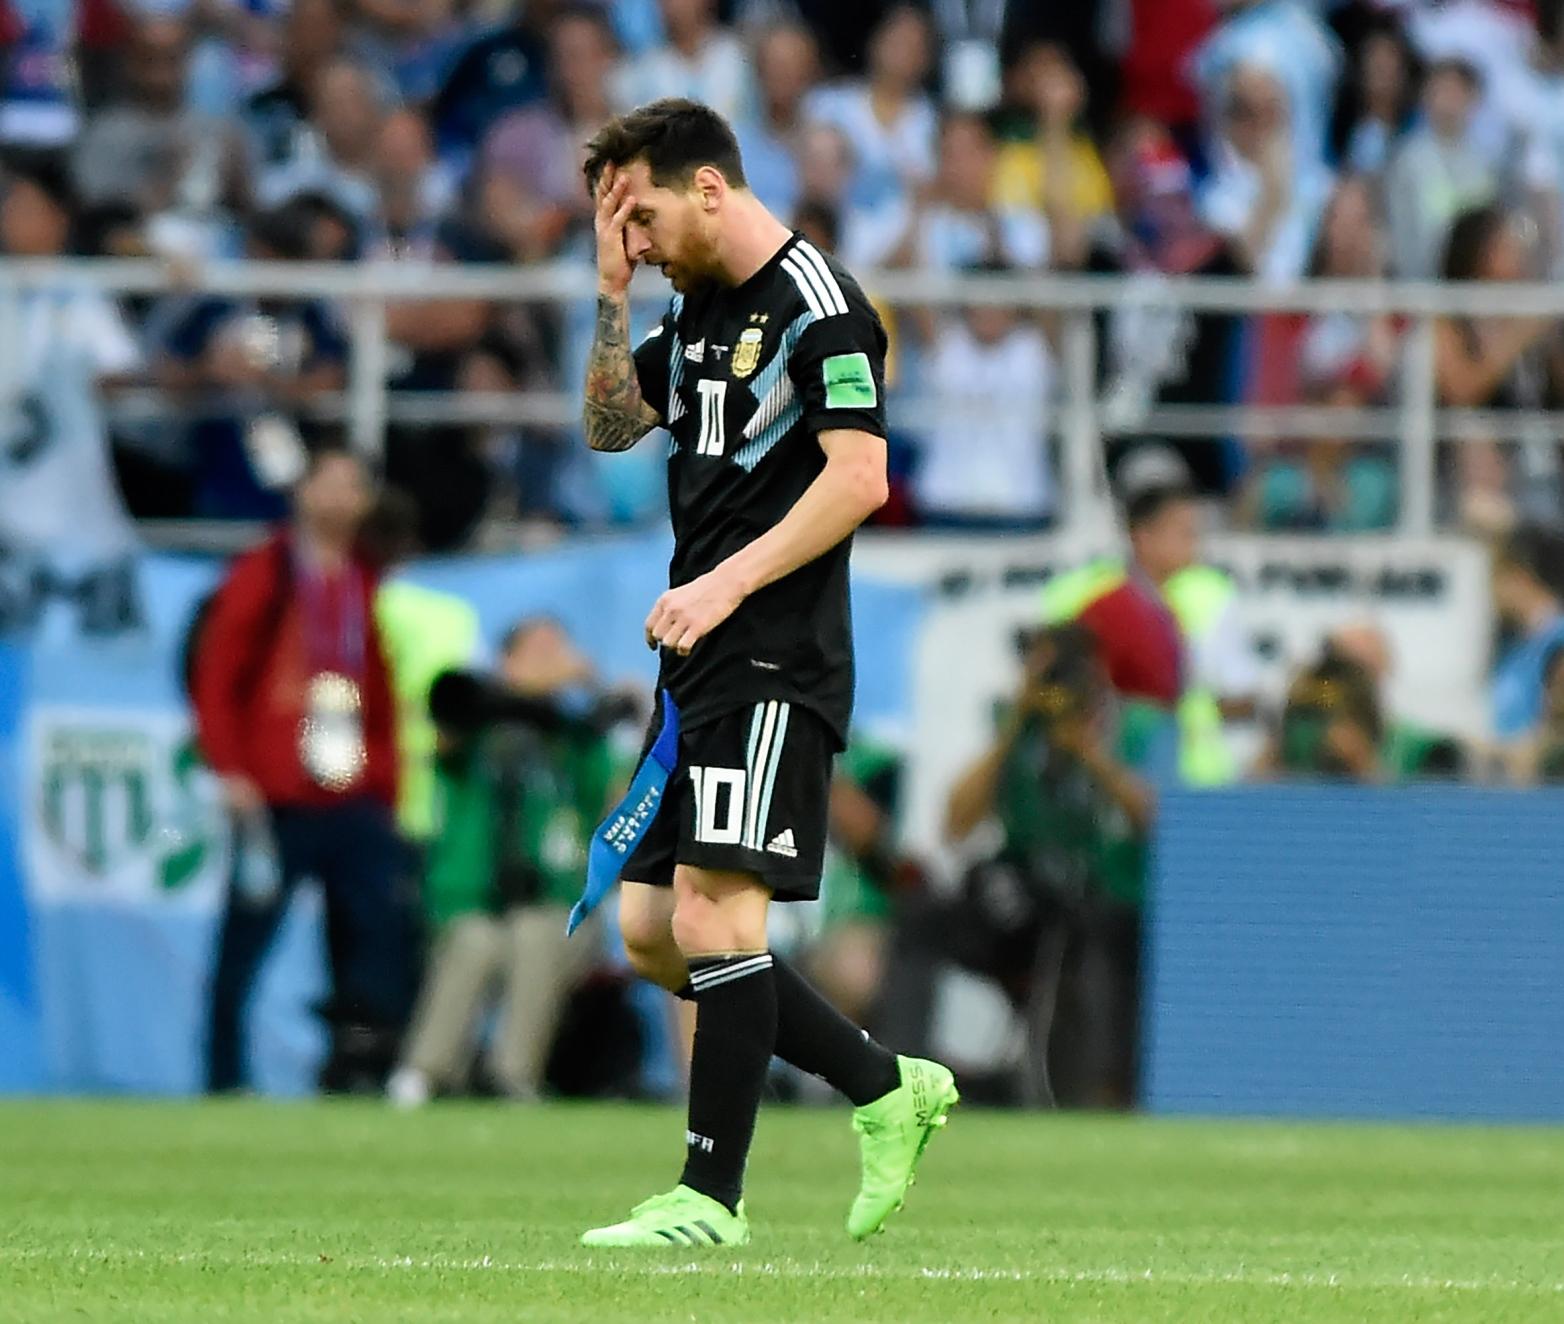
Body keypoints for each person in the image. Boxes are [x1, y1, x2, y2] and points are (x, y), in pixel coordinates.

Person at [574, 97, 956, 1248]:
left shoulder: (820, 305)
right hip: (698, 658)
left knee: (712, 914)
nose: (634, 238)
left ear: (708, 186)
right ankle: (887, 1085)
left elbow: (859, 479)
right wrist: (609, 293)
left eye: (639, 216)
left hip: (773, 654)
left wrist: (725, 586)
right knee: (650, 929)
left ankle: (709, 1197)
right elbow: (606, 428)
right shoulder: (689, 314)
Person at [193, 445, 411, 1094]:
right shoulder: (266, 573)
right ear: (302, 492)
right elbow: (217, 675)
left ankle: (353, 1070)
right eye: (330, 483)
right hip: (274, 791)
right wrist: (230, 769)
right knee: (244, 943)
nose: (341, 499)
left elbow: (380, 687)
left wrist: (387, 784)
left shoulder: (367, 579)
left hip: (351, 789)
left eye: (354, 486)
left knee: (371, 935)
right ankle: (222, 1082)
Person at [883, 623, 1164, 1108]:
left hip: (1108, 898)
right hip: (1024, 897)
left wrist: (1088, 752)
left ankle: (1098, 1092)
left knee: (1098, 934)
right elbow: (956, 822)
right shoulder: (1018, 730)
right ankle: (898, 1079)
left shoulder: (1137, 725)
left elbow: (1154, 821)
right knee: (922, 918)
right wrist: (1014, 729)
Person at [388, 618, 617, 1106]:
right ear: (505, 662)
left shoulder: (575, 738)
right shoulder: (475, 716)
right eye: (536, 652)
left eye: (558, 652)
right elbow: (447, 717)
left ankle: (512, 1077)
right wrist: (536, 691)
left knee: (534, 934)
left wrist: (594, 699)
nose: (549, 664)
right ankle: (423, 1073)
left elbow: (616, 798)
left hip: (558, 907)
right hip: (473, 902)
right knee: (476, 941)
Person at [1384, 57, 1494, 280]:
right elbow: (1401, 234)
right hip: (1423, 289)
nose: (1448, 101)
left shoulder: (1485, 163)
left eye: (1457, 92)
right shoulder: (1409, 160)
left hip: (1472, 290)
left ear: (1474, 98)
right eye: (1441, 90)